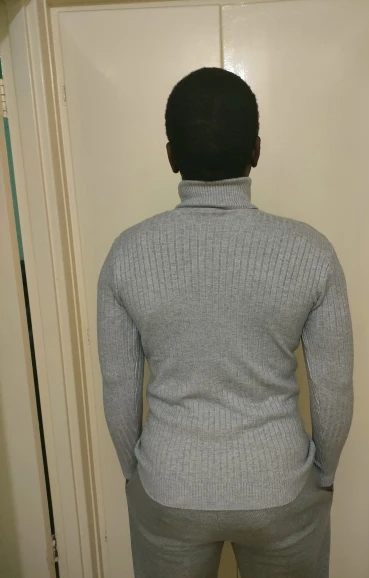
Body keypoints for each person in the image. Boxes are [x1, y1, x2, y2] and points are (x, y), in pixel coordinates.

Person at [97, 67, 353, 578]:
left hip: (168, 486)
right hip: (281, 485)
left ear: (171, 155)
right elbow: (335, 385)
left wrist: (136, 474)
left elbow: (119, 386)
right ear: (256, 150)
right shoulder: (311, 252)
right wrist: (322, 474)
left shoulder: (127, 254)